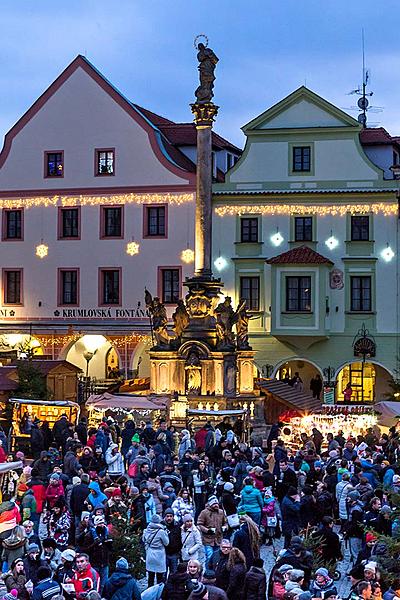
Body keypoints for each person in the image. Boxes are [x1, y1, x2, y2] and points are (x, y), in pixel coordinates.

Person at [197, 496, 227, 563]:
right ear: (210, 504)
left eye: (217, 503)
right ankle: (208, 572)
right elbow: (199, 524)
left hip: (219, 539)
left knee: (218, 557)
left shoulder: (221, 512)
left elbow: (225, 522)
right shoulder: (204, 512)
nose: (216, 505)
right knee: (210, 556)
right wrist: (207, 530)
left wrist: (225, 527)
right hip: (208, 539)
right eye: (214, 504)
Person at [142, 514, 169, 586]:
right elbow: (166, 543)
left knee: (150, 577)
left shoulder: (146, 530)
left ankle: (150, 593)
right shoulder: (161, 531)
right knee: (159, 577)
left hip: (150, 553)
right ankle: (158, 593)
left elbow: (144, 540)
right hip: (159, 555)